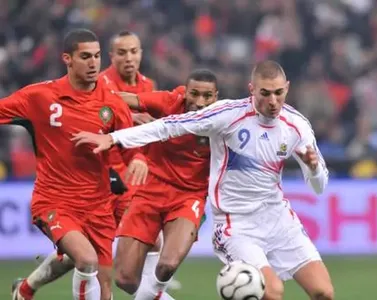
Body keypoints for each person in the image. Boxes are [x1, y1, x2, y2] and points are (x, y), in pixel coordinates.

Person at [72, 60, 334, 300]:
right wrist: (114, 138)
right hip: (236, 225)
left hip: (279, 220)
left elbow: (319, 187)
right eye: (265, 93)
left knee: (324, 292)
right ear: (251, 89)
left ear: (287, 88)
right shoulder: (228, 115)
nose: (273, 101)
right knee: (272, 292)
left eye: (279, 92)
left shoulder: (297, 125)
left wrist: (312, 169)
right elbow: (170, 125)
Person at [6, 28, 148, 300]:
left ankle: (24, 291)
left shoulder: (112, 104)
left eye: (96, 56)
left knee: (105, 293)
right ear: (67, 59)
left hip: (99, 208)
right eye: (85, 57)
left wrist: (139, 158)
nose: (93, 63)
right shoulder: (39, 97)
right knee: (85, 259)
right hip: (55, 201)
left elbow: (129, 145)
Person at [111, 69, 217, 299]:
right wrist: (131, 115)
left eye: (207, 96)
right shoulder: (169, 102)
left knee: (167, 265)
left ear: (216, 97)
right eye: (194, 94)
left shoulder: (223, 119)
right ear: (185, 92)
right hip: (150, 191)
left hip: (189, 198)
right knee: (125, 279)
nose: (199, 102)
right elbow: (119, 98)